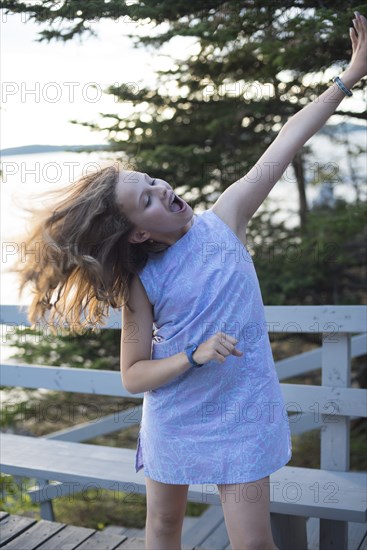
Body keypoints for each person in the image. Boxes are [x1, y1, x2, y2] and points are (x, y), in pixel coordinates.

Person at [14, 12, 366, 550]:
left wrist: (349, 75)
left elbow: (286, 141)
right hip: (177, 417)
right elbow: (133, 376)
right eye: (147, 200)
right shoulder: (140, 280)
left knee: (252, 543)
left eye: (153, 181)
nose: (163, 190)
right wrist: (194, 356)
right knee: (163, 528)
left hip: (244, 411)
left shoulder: (225, 220)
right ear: (134, 233)